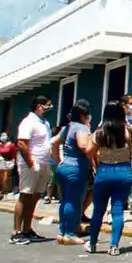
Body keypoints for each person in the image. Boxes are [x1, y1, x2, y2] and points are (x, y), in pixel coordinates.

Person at [85, 100, 132, 255]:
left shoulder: (100, 132)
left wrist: (100, 153)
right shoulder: (130, 131)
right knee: (117, 210)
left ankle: (92, 244)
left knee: (98, 210)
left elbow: (89, 151)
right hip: (124, 171)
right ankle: (114, 246)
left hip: (105, 171)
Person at [12, 95, 54, 245]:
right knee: (25, 195)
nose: (50, 107)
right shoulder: (28, 122)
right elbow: (22, 144)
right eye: (48, 105)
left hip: (43, 163)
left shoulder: (45, 123)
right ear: (39, 106)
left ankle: (27, 229)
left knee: (35, 196)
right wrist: (31, 163)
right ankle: (16, 232)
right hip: (31, 163)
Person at [51, 101, 94, 245]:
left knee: (65, 201)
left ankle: (63, 231)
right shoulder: (81, 128)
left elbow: (54, 143)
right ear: (83, 115)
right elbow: (83, 146)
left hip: (64, 167)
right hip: (76, 168)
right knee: (74, 201)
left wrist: (59, 161)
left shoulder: (67, 127)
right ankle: (69, 233)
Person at [0, 133, 15, 202]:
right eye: (2, 135)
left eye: (4, 135)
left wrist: (13, 163)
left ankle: (3, 193)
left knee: (4, 180)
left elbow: (14, 156)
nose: (3, 137)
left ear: (7, 137)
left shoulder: (11, 145)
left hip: (6, 164)